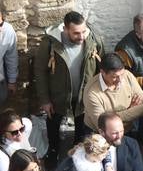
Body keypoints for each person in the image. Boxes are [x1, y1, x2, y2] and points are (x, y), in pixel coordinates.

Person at [32, 10, 104, 156]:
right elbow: (40, 72)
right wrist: (45, 100)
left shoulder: (93, 39)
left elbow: (101, 66)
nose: (82, 36)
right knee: (53, 127)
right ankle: (53, 152)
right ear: (65, 29)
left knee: (82, 129)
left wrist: (99, 93)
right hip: (57, 96)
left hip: (84, 94)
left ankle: (77, 155)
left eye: (84, 31)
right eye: (76, 33)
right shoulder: (50, 43)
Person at [81, 53, 143, 133]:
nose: (120, 80)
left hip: (127, 130)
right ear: (102, 72)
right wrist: (130, 110)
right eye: (114, 77)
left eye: (122, 74)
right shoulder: (92, 92)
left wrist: (112, 116)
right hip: (99, 136)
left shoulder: (127, 76)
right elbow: (104, 126)